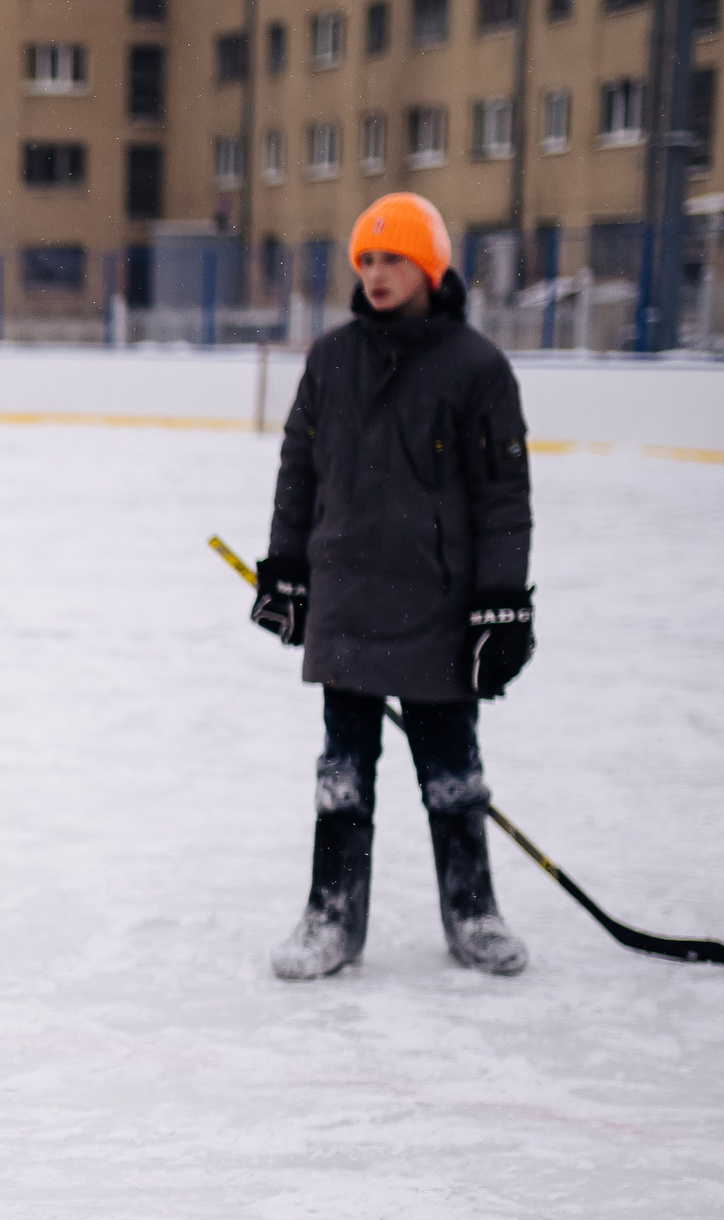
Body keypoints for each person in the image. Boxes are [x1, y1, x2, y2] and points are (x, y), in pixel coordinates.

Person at [253, 192, 534, 979]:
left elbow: (503, 498)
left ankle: (473, 912)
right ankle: (331, 917)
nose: (375, 274)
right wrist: (285, 566)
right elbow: (298, 471)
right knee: (341, 774)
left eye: (393, 259)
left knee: (452, 775)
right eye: (366, 260)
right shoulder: (332, 360)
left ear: (430, 266)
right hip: (346, 603)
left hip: (437, 607)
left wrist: (502, 601)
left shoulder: (478, 369)